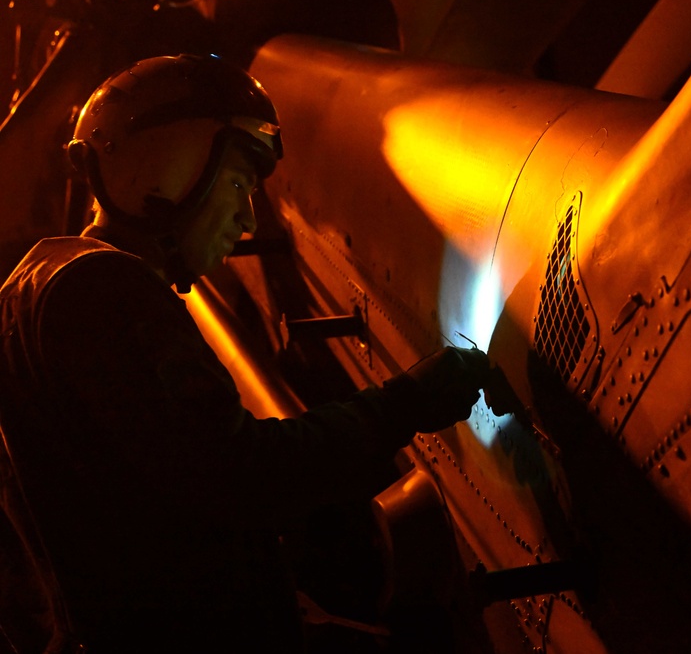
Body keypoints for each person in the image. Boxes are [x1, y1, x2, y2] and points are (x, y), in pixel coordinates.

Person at [0, 54, 488, 653]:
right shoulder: (106, 293)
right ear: (168, 169)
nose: (246, 216)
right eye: (236, 183)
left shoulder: (35, 281)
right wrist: (405, 404)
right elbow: (241, 476)